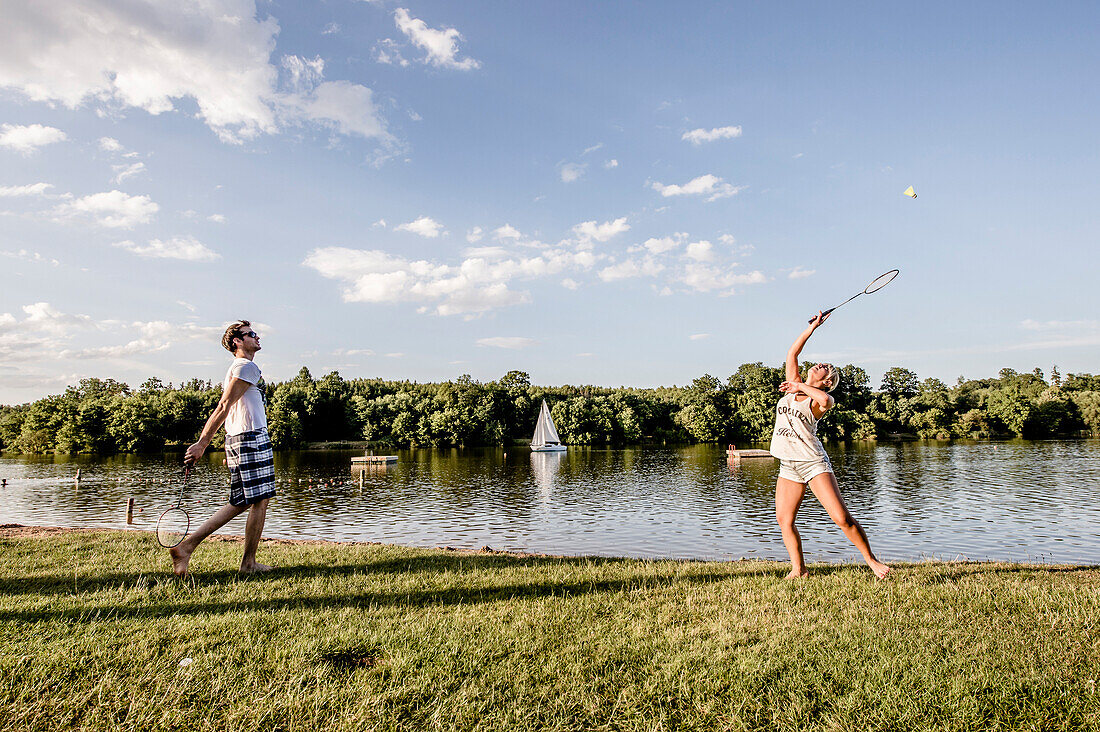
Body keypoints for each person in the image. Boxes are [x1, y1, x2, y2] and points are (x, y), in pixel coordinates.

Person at [770, 312, 891, 579]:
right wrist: (812, 328)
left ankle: (871, 561)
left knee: (841, 518)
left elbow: (825, 400)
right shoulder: (794, 385)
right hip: (788, 464)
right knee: (784, 520)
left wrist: (799, 384)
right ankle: (798, 570)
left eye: (825, 367)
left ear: (827, 381)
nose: (820, 363)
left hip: (813, 463)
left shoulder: (819, 399)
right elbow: (792, 352)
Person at [170, 320, 276, 577]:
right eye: (251, 334)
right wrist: (203, 443)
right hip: (249, 439)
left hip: (244, 438)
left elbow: (229, 408)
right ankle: (246, 563)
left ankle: (187, 547)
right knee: (257, 500)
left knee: (244, 501)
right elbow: (223, 406)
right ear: (237, 342)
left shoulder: (241, 368)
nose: (256, 337)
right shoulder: (245, 366)